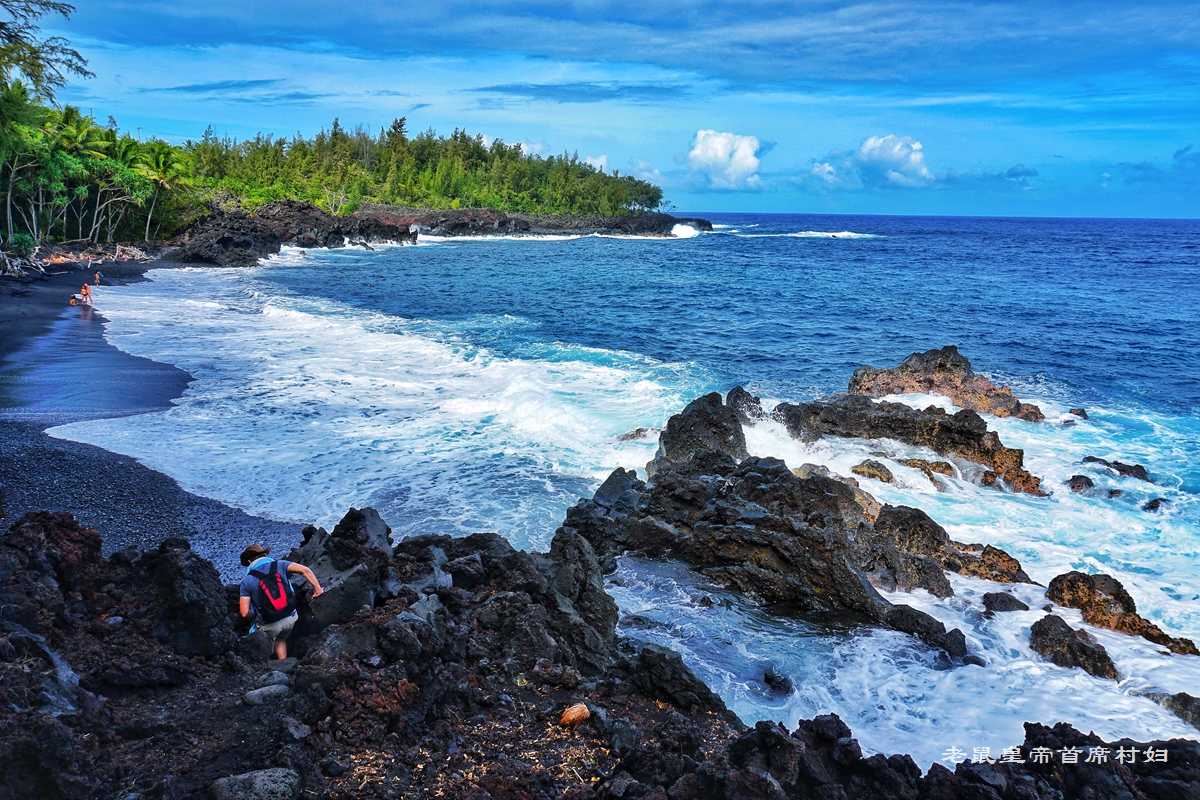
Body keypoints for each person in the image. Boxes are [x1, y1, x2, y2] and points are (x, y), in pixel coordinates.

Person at [238, 544, 324, 660]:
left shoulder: (247, 580)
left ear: (249, 561)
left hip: (269, 624)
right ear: (265, 555)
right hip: (291, 618)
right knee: (281, 639)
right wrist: (318, 590)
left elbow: (244, 612)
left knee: (264, 648)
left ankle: (266, 670)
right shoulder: (280, 564)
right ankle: (283, 663)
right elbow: (305, 570)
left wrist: (257, 616)